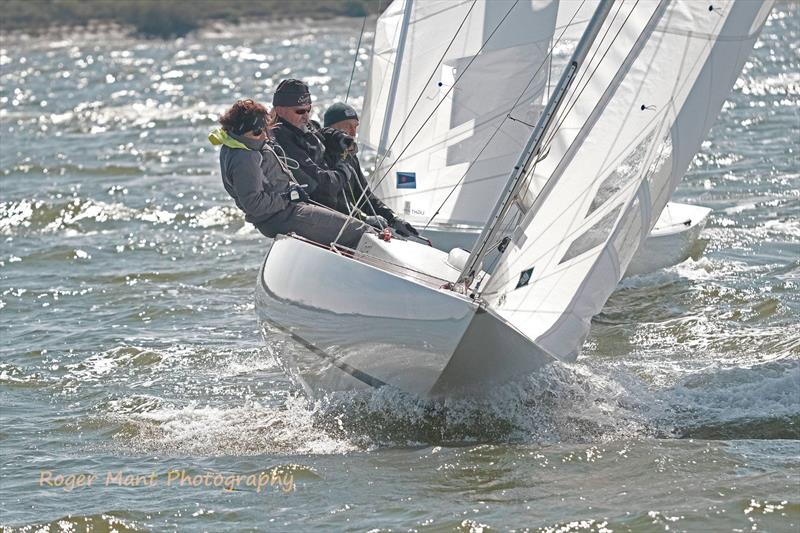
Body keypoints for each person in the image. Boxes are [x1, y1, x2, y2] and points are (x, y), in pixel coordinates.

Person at [209, 98, 373, 248]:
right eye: (259, 132)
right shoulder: (245, 158)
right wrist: (287, 197)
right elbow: (253, 204)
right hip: (281, 215)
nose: (265, 136)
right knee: (359, 230)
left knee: (351, 223)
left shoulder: (240, 142)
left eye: (266, 129)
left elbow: (312, 131)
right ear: (242, 131)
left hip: (286, 210)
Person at [319, 102, 419, 238]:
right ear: (332, 128)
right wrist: (364, 218)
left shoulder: (350, 158)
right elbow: (329, 199)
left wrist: (393, 219)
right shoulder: (321, 155)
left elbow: (365, 197)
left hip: (354, 223)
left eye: (355, 127)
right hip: (331, 227)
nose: (354, 133)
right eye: (348, 126)